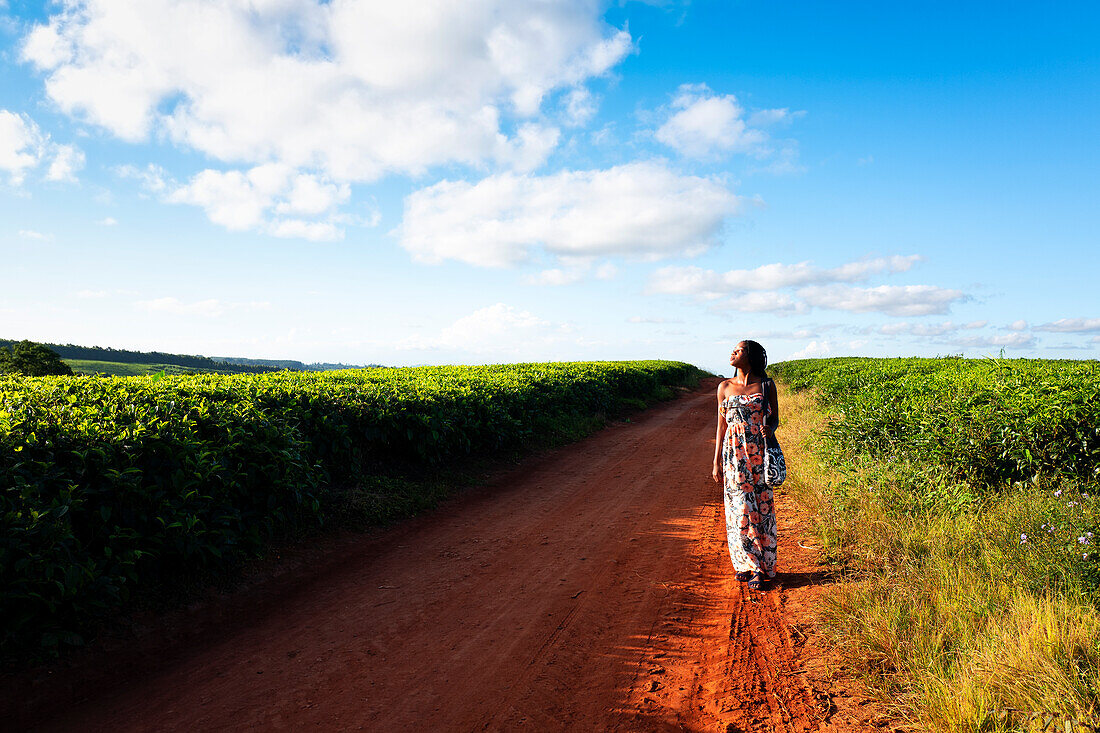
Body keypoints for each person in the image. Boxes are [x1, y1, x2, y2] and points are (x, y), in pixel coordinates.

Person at [711, 340, 779, 591]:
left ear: (749, 356)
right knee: (740, 509)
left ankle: (762, 567)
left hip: (758, 454)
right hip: (733, 455)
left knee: (761, 507)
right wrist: (716, 460)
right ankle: (748, 564)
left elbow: (775, 419)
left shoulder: (765, 385)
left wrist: (768, 429)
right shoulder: (724, 387)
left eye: (738, 350)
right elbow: (721, 426)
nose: (733, 353)